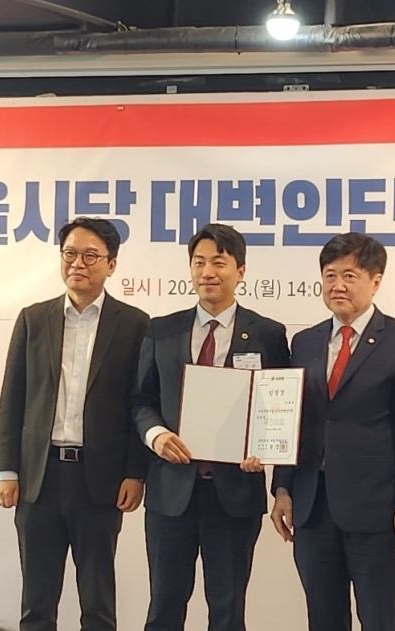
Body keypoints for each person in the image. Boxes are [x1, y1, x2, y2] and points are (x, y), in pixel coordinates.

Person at [271, 232, 395, 631]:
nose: (337, 285)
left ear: (376, 281)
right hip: (313, 507)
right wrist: (283, 487)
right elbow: (293, 419)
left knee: (378, 619)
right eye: (330, 275)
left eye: (349, 275)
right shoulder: (305, 342)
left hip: (376, 511)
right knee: (322, 618)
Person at [0, 217, 149, 631]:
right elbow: (12, 397)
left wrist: (135, 472)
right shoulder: (33, 319)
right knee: (37, 601)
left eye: (90, 255)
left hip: (99, 479)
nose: (78, 263)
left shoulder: (135, 324)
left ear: (111, 264)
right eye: (70, 254)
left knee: (97, 603)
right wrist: (6, 469)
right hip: (38, 477)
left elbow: (140, 404)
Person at [132, 223, 290, 631]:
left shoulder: (268, 334)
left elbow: (280, 407)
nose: (207, 272)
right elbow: (141, 400)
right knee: (164, 606)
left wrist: (263, 449)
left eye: (219, 263)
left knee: (228, 610)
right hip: (171, 493)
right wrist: (156, 435)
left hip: (234, 495)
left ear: (241, 271)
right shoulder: (161, 330)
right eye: (199, 262)